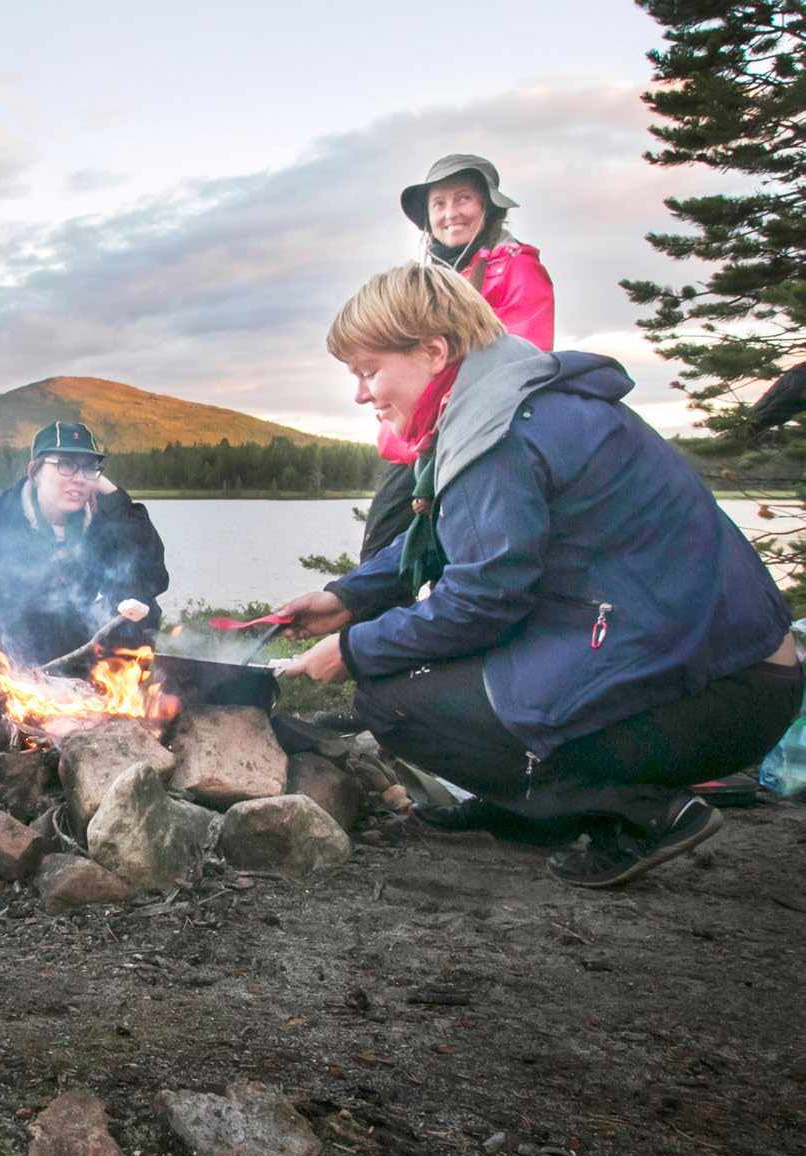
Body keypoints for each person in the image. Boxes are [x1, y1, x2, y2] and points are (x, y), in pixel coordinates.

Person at [276, 264, 800, 889]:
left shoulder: (500, 435)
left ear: (433, 350)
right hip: (731, 673)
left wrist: (354, 647)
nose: (362, 393)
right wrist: (347, 596)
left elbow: (484, 601)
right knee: (426, 673)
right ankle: (533, 811)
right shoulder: (516, 402)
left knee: (394, 701)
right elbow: (455, 538)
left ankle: (647, 816)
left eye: (368, 371)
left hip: (710, 698)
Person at [359, 154, 555, 562]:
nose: (451, 213)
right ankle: (369, 624)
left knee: (460, 560)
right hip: (417, 445)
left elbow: (522, 360)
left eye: (463, 198)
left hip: (475, 439)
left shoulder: (518, 270)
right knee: (381, 556)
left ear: (487, 206)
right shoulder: (422, 280)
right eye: (439, 203)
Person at [0, 421, 169, 710]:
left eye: (89, 467)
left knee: (139, 608)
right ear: (35, 472)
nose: (79, 478)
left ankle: (109, 700)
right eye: (66, 465)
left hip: (77, 674)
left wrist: (116, 498)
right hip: (7, 680)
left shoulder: (99, 529)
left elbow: (150, 579)